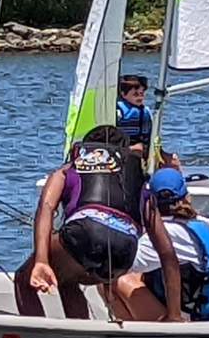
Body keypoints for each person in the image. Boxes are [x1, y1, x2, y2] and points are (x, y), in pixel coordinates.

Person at [16, 126, 183, 320]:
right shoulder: (140, 186)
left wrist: (42, 261)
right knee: (67, 280)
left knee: (24, 277)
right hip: (125, 252)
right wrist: (174, 314)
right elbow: (167, 253)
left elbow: (46, 208)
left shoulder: (67, 170)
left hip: (84, 234)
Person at [112, 169, 209, 322]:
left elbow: (117, 267)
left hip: (183, 321)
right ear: (187, 197)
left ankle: (140, 337)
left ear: (150, 203)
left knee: (116, 280)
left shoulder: (161, 233)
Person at [115, 75, 153, 153]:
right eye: (135, 95)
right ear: (123, 94)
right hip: (122, 148)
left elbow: (148, 137)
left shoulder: (145, 112)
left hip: (140, 148)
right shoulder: (118, 112)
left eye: (141, 94)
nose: (140, 97)